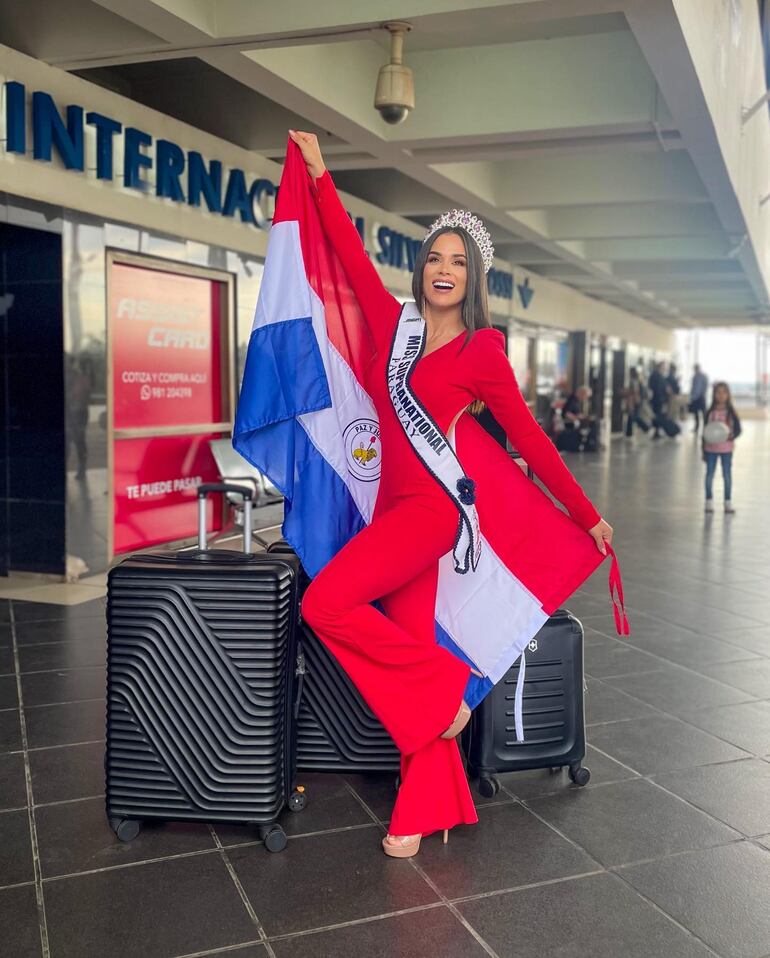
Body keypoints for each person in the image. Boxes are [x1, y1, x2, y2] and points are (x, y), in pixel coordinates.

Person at [287, 129, 614, 859]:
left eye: (457, 262)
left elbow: (529, 438)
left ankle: (444, 687)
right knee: (400, 646)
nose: (442, 269)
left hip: (432, 516)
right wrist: (318, 177)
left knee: (324, 602)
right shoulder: (392, 324)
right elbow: (345, 252)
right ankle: (427, 803)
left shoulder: (481, 353)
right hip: (390, 508)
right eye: (434, 257)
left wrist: (587, 516)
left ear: (473, 280)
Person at [703, 381, 741, 514]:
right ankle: (708, 501)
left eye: (724, 392)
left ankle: (728, 502)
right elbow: (705, 432)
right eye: (718, 392)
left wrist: (731, 436)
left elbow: (738, 429)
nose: (721, 395)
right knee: (709, 474)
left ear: (728, 395)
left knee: (727, 475)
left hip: (726, 449)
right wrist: (703, 450)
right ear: (714, 395)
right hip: (710, 449)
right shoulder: (709, 412)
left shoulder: (731, 412)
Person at [624, 367, 650, 438]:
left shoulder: (633, 381)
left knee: (633, 416)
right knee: (632, 416)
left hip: (634, 401)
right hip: (637, 401)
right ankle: (629, 433)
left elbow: (634, 391)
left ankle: (645, 427)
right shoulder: (638, 380)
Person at [647, 362, 669, 439]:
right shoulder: (658, 376)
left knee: (657, 414)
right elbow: (660, 388)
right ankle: (656, 430)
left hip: (656, 399)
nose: (665, 369)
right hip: (658, 399)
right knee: (658, 415)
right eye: (664, 367)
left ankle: (657, 430)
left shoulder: (655, 375)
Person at [689, 364, 709, 434]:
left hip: (699, 397)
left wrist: (694, 397)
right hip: (698, 397)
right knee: (699, 413)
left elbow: (700, 387)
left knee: (701, 413)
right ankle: (699, 428)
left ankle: (702, 428)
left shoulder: (700, 376)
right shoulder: (698, 376)